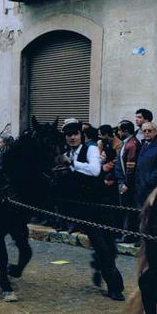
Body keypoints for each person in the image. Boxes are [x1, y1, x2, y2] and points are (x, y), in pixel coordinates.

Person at [59, 119, 125, 301]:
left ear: (81, 135)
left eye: (75, 134)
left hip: (102, 205)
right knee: (101, 246)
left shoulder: (91, 150)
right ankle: (114, 284)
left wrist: (72, 164)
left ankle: (111, 282)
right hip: (84, 209)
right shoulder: (65, 153)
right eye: (68, 135)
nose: (72, 137)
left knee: (107, 247)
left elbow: (95, 171)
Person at [114, 120, 140, 243]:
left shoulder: (132, 144)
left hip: (126, 183)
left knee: (128, 209)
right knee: (124, 209)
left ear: (125, 131)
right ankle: (126, 233)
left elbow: (131, 166)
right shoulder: (127, 143)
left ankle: (128, 235)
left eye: (119, 130)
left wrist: (126, 184)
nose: (118, 132)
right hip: (122, 181)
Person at [135, 122, 157, 208]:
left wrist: (148, 181)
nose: (146, 133)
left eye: (149, 131)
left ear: (155, 132)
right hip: (140, 186)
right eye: (144, 131)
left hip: (151, 187)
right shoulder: (143, 144)